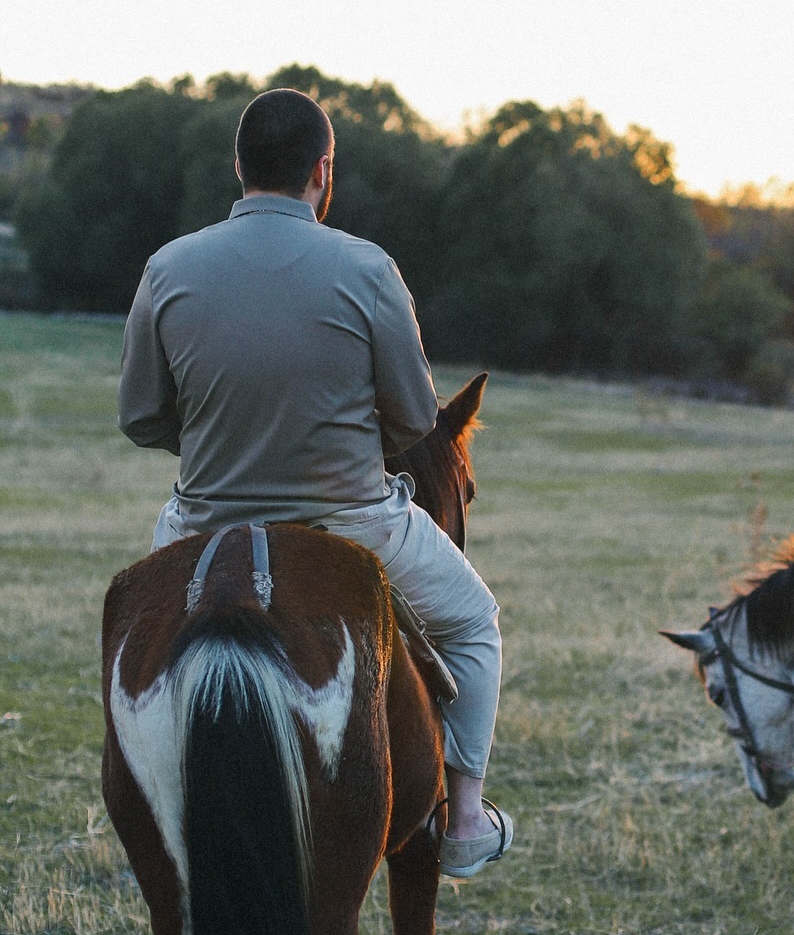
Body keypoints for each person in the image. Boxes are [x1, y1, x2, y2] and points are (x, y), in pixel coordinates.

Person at [117, 87, 512, 879]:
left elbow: (141, 417)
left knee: (137, 633)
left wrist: (219, 445)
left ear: (238, 165)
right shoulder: (368, 268)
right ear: (322, 171)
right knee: (476, 624)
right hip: (351, 522)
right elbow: (410, 423)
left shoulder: (167, 267)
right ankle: (466, 818)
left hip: (202, 521)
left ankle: (144, 808)